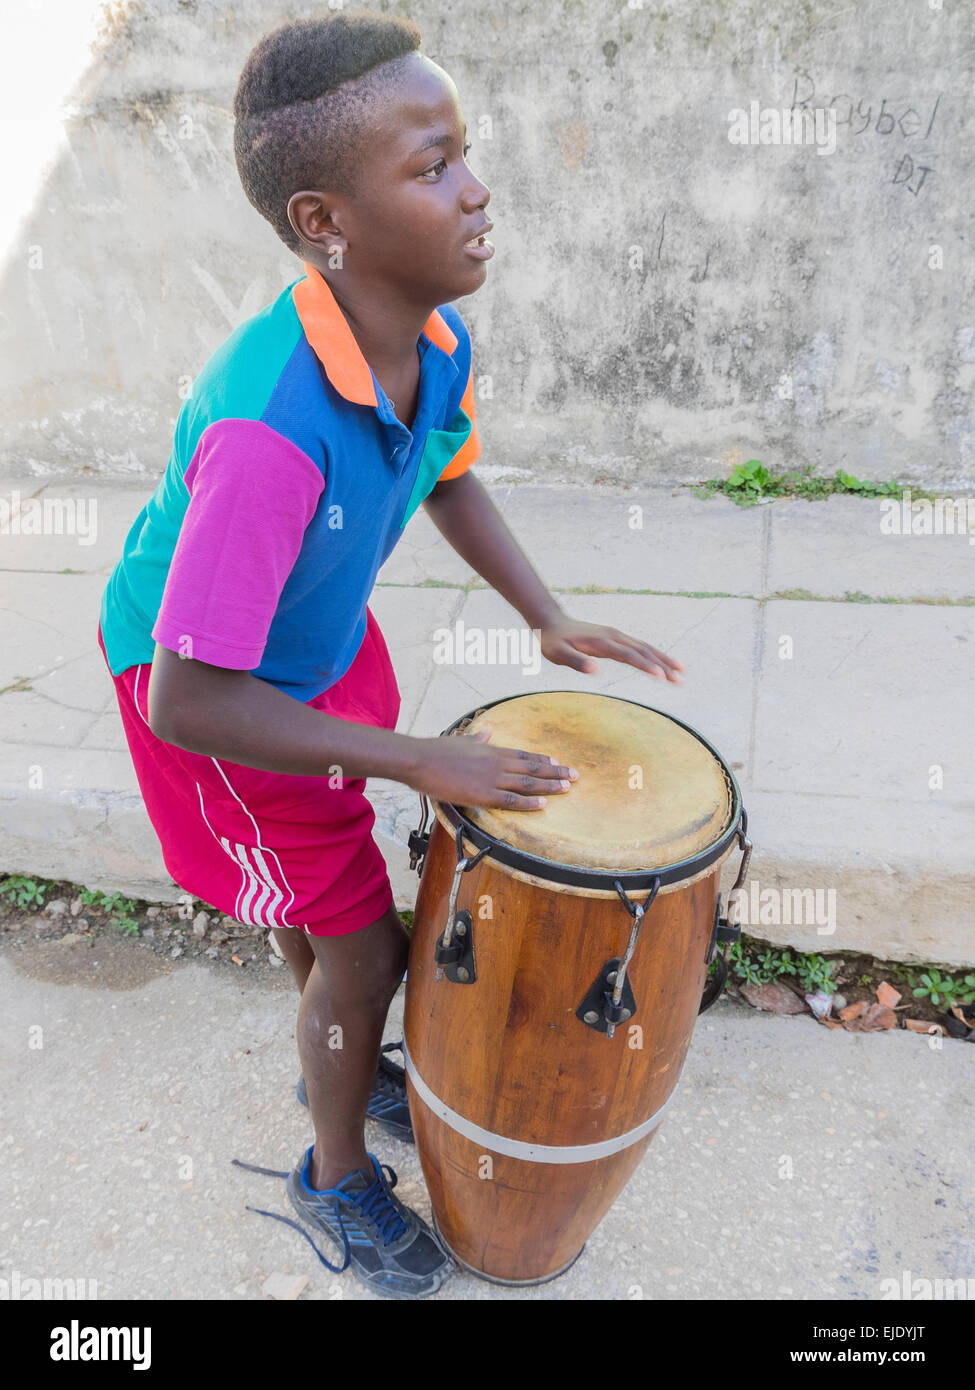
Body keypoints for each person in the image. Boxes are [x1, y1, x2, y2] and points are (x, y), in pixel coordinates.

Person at [96, 10, 683, 1300]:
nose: (476, 192)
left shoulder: (429, 337)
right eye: (431, 168)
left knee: (335, 907)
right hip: (208, 683)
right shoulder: (270, 424)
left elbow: (447, 475)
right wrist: (425, 759)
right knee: (363, 948)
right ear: (325, 219)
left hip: (310, 653)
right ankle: (334, 1179)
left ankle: (344, 1055)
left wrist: (546, 611)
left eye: (465, 153)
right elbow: (196, 699)